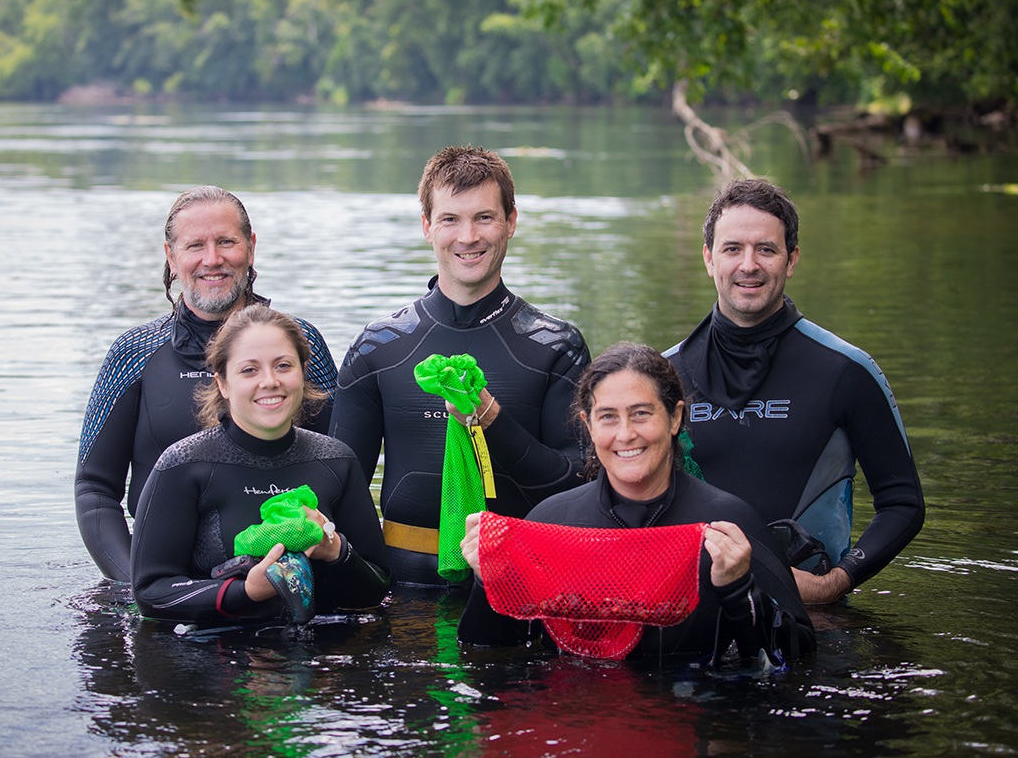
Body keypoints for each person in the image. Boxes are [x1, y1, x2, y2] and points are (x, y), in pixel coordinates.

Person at [330, 146, 591, 586]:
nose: (468, 236)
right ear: (427, 227)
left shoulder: (555, 347)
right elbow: (337, 486)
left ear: (511, 222)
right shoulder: (378, 347)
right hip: (401, 598)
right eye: (451, 219)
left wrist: (492, 421)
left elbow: (579, 484)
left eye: (484, 217)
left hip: (521, 589)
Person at [458, 343, 815, 662]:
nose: (626, 434)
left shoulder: (726, 523)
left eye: (642, 413)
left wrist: (739, 590)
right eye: (608, 417)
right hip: (575, 722)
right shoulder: (552, 521)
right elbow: (491, 658)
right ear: (589, 425)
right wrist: (487, 579)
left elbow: (798, 659)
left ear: (674, 418)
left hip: (692, 714)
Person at [664, 178, 924, 605]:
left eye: (766, 249)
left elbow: (903, 503)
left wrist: (833, 583)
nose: (749, 264)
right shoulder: (666, 374)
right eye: (732, 249)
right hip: (691, 612)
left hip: (809, 619)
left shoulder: (846, 371)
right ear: (709, 259)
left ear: (792, 259)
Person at [75, 186, 338, 582]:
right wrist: (137, 584)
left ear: (250, 248)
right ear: (171, 255)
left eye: (226, 242)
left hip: (287, 578)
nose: (212, 260)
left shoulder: (301, 345)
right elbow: (94, 489)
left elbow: (341, 466)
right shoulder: (134, 354)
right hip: (169, 586)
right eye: (195, 245)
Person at [130, 305, 390, 625]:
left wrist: (334, 549)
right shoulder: (182, 466)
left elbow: (377, 589)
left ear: (302, 372)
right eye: (249, 370)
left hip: (321, 663)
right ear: (223, 383)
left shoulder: (337, 461)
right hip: (216, 660)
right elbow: (149, 592)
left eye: (283, 366)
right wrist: (245, 592)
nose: (269, 381)